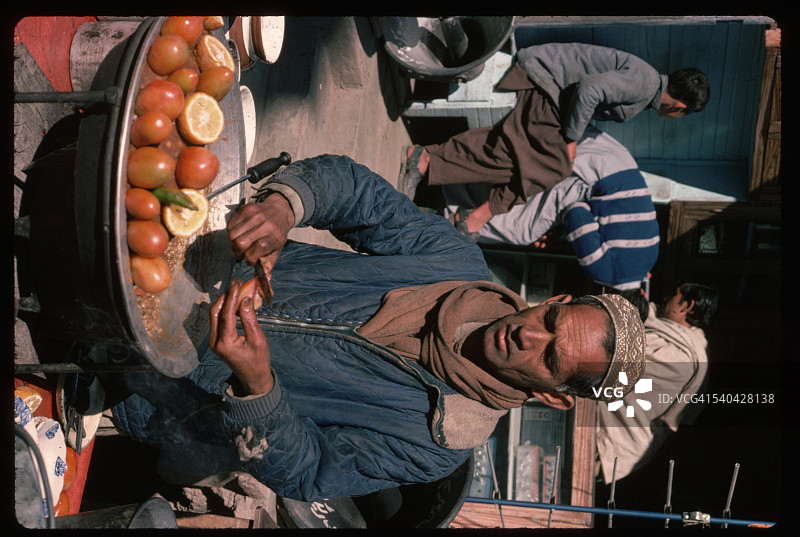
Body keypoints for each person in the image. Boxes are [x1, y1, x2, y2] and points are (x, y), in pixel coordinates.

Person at [109, 154, 646, 502]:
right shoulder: (453, 260)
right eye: (551, 320)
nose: (530, 336)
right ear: (553, 300)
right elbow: (356, 193)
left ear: (553, 398)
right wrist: (283, 207)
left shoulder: (437, 447)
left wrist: (259, 388)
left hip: (145, 387)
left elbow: (311, 472)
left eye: (551, 359)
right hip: (176, 256)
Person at [399, 42, 709, 236]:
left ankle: (432, 166)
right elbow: (590, 89)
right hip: (542, 81)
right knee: (552, 164)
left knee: (524, 159)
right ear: (680, 108)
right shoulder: (645, 83)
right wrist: (571, 141)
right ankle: (468, 204)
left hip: (550, 94)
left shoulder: (646, 84)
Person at [452, 125, 660, 292]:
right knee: (523, 230)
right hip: (594, 174)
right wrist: (558, 228)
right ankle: (456, 216)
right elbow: (575, 211)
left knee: (534, 211)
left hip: (615, 158)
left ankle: (459, 192)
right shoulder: (605, 272)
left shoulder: (649, 261)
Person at [595, 282, 719, 484]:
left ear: (686, 306)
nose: (665, 299)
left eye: (674, 293)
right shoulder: (670, 333)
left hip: (607, 444)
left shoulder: (682, 358)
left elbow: (617, 359)